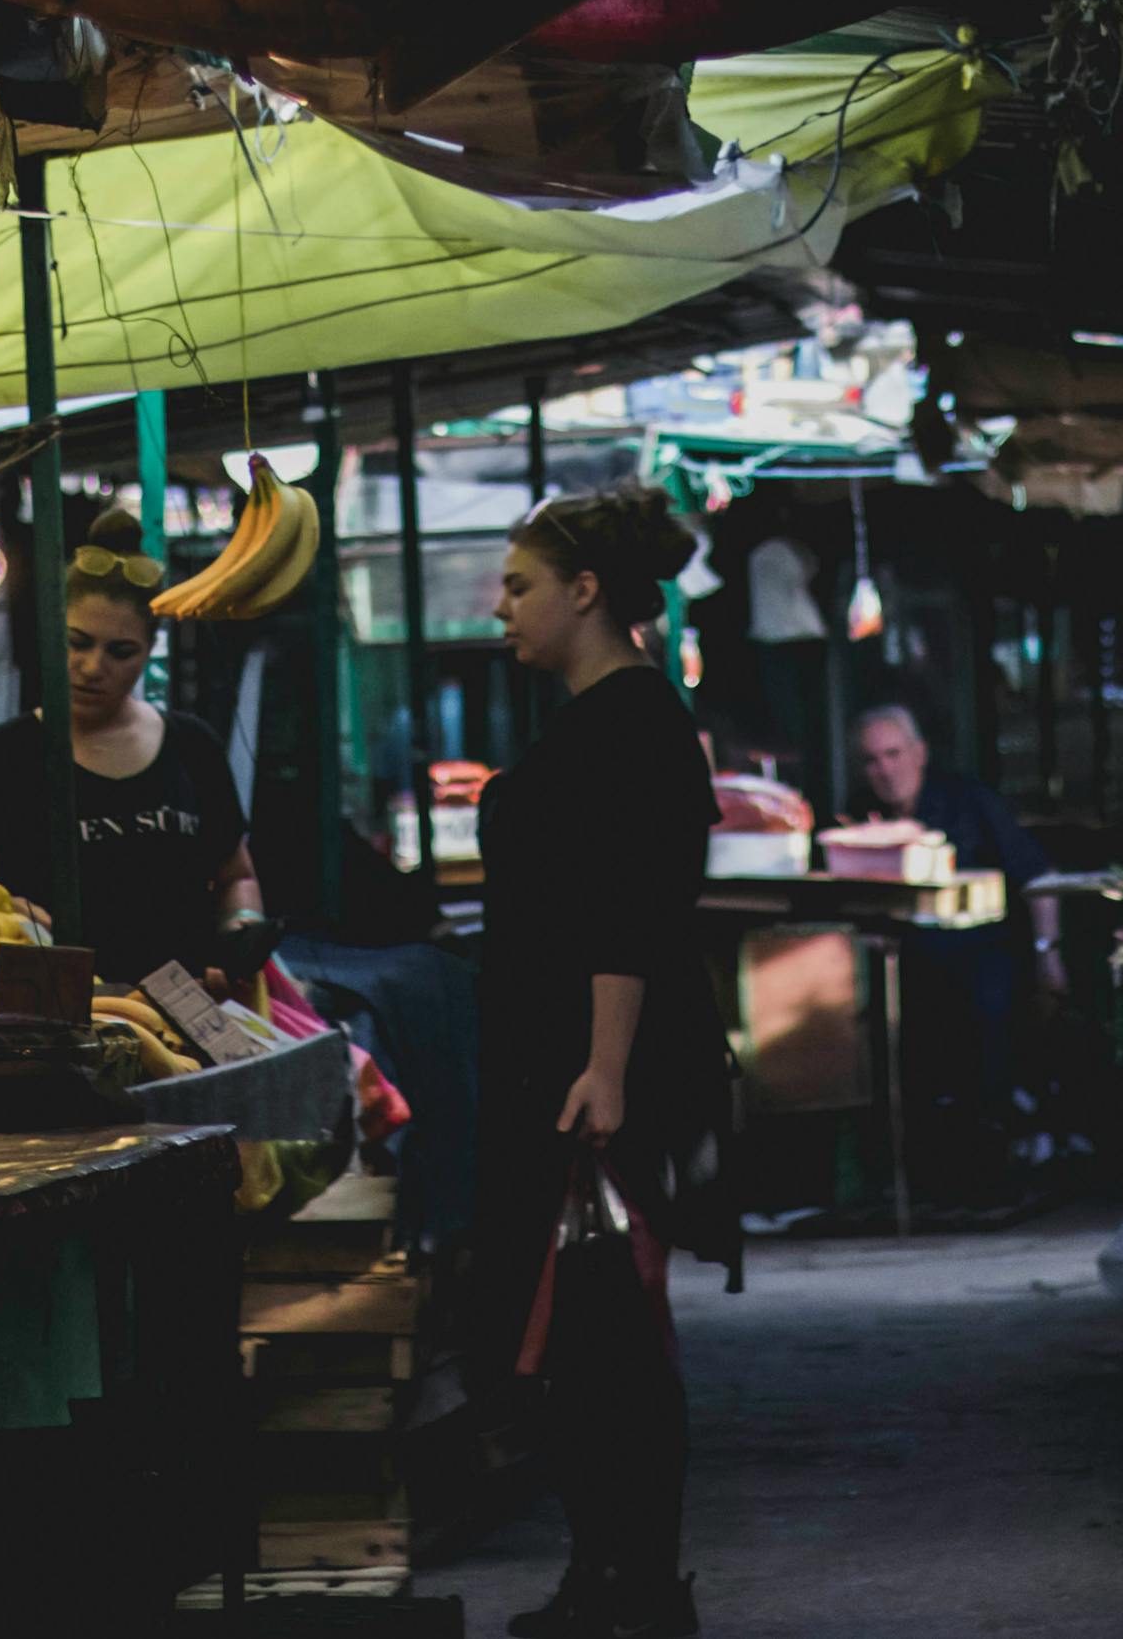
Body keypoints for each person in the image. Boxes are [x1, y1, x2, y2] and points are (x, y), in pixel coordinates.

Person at [479, 480, 731, 1639]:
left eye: (520, 585)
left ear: (586, 592)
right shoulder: (609, 717)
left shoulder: (635, 724)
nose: (501, 607)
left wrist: (606, 1071)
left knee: (610, 1336)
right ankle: (611, 1572)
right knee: (586, 1333)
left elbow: (629, 913)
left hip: (603, 1069)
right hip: (572, 1060)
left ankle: (637, 1582)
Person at [0, 508, 262, 991]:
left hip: (189, 1016)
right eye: (76, 643)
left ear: (149, 651)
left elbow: (237, 875)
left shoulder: (193, 747)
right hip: (53, 1021)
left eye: (119, 652)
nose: (92, 666)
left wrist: (242, 927)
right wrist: (3, 910)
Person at [851, 703, 1050, 892]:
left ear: (920, 753)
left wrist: (1046, 930)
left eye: (893, 754)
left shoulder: (971, 800)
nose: (885, 770)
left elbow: (1037, 875)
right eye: (872, 760)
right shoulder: (858, 813)